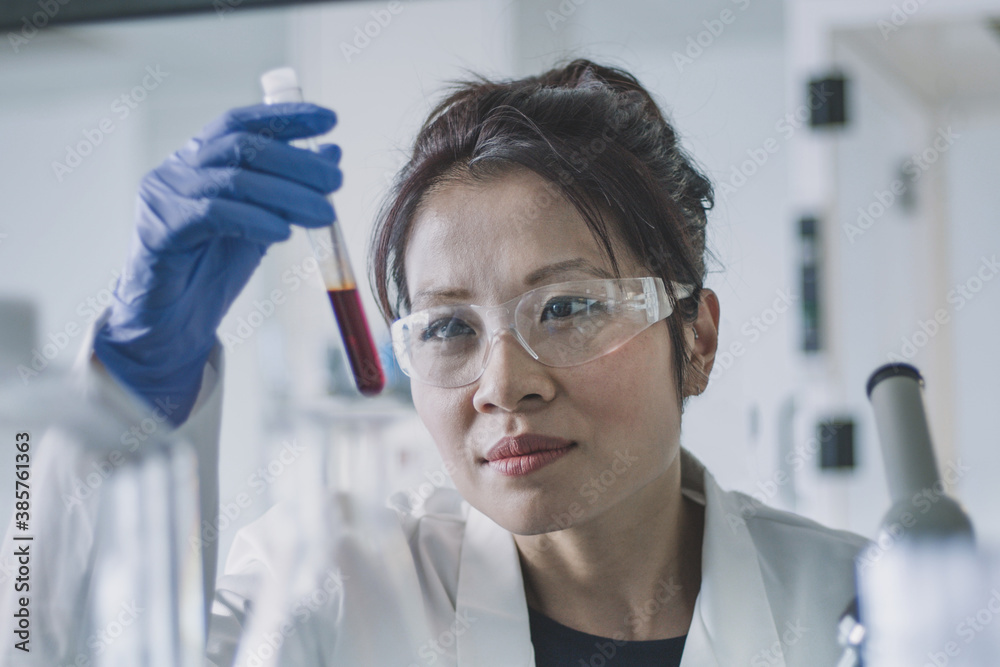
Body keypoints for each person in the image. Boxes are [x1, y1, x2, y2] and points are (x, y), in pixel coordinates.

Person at [19, 59, 868, 666]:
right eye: (450, 329)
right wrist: (131, 388)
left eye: (566, 308)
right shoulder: (326, 592)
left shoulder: (860, 607)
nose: (504, 384)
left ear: (697, 338)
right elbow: (49, 644)